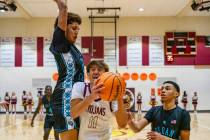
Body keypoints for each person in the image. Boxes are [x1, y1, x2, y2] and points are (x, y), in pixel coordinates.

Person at [50, 0, 84, 139]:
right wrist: (62, 5)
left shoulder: (73, 49)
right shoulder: (60, 42)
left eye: (78, 29)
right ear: (64, 27)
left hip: (74, 98)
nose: (76, 32)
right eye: (73, 28)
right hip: (64, 98)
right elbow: (63, 8)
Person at [71, 61, 128, 140]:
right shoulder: (80, 87)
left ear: (106, 75)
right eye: (93, 69)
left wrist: (120, 97)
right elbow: (72, 114)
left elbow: (122, 124)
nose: (96, 72)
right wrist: (92, 97)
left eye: (99, 69)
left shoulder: (113, 95)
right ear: (87, 74)